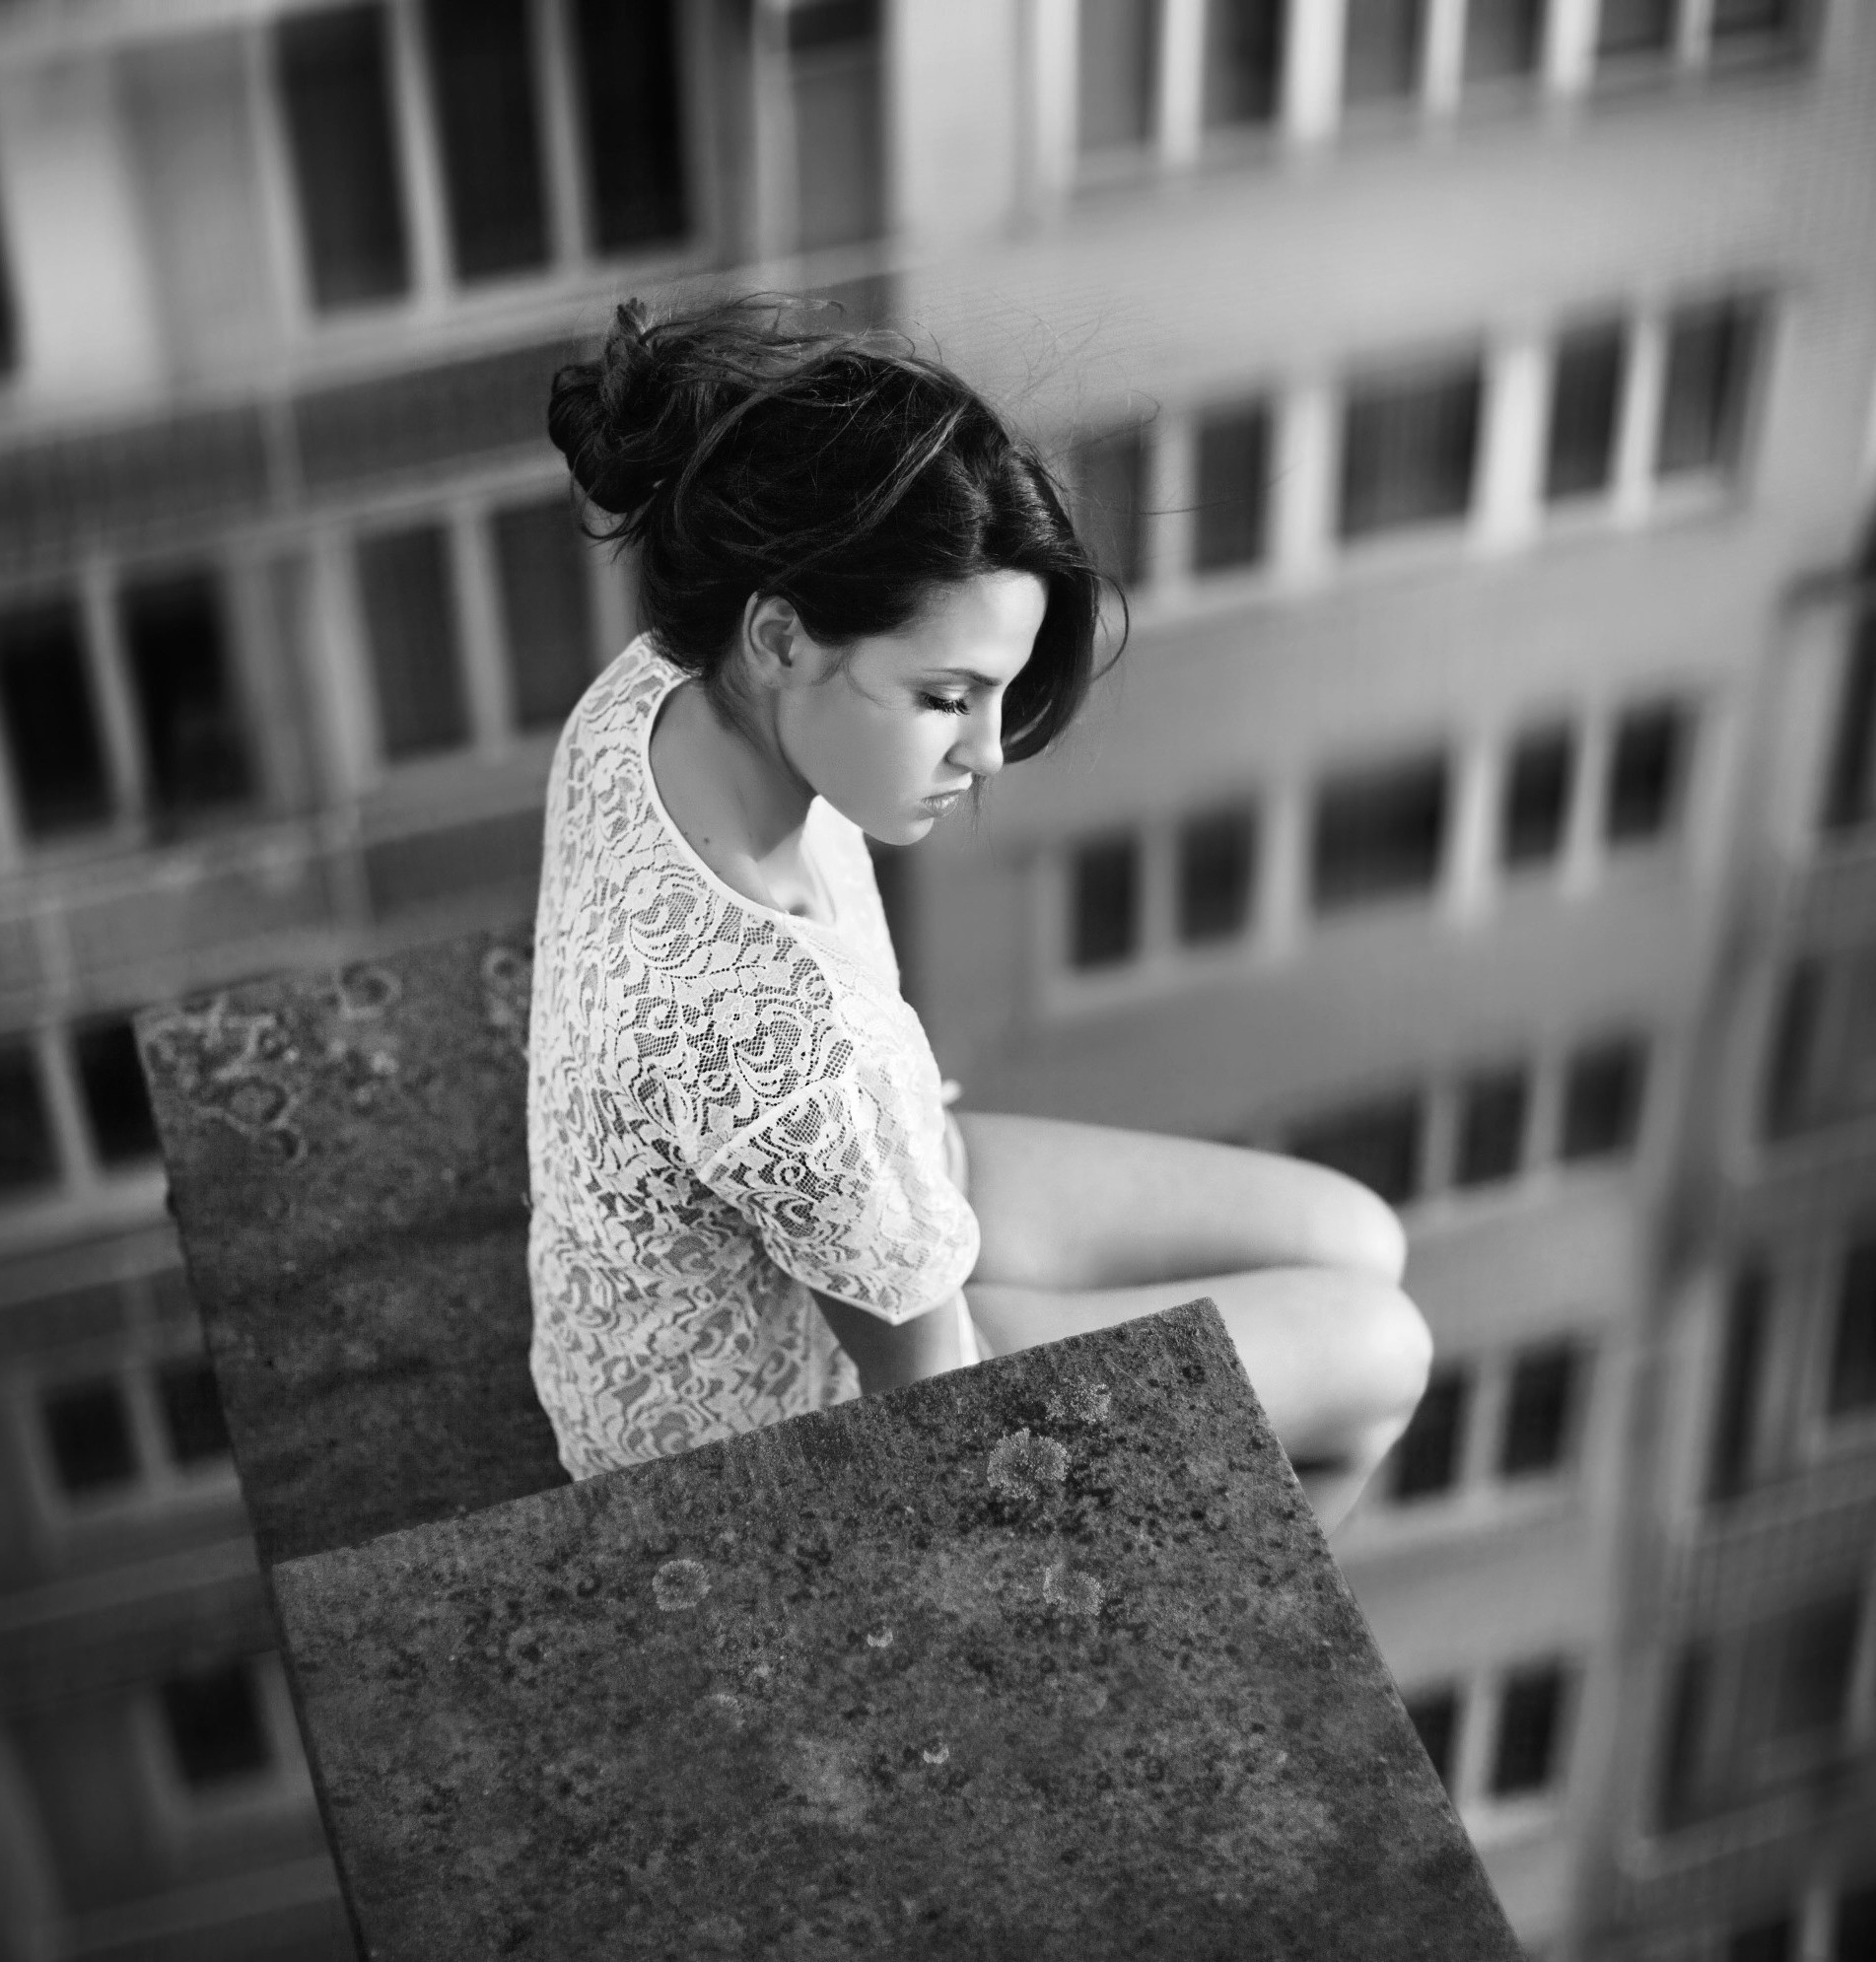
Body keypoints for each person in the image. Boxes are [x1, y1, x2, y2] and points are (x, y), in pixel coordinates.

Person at [524, 298, 1429, 1519]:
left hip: (864, 1187)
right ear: (780, 634)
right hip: (787, 1424)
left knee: (1360, 1234)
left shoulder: (656, 691)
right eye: (947, 697)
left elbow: (833, 1134)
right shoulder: (774, 1044)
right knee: (1381, 1351)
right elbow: (938, 1415)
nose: (990, 753)